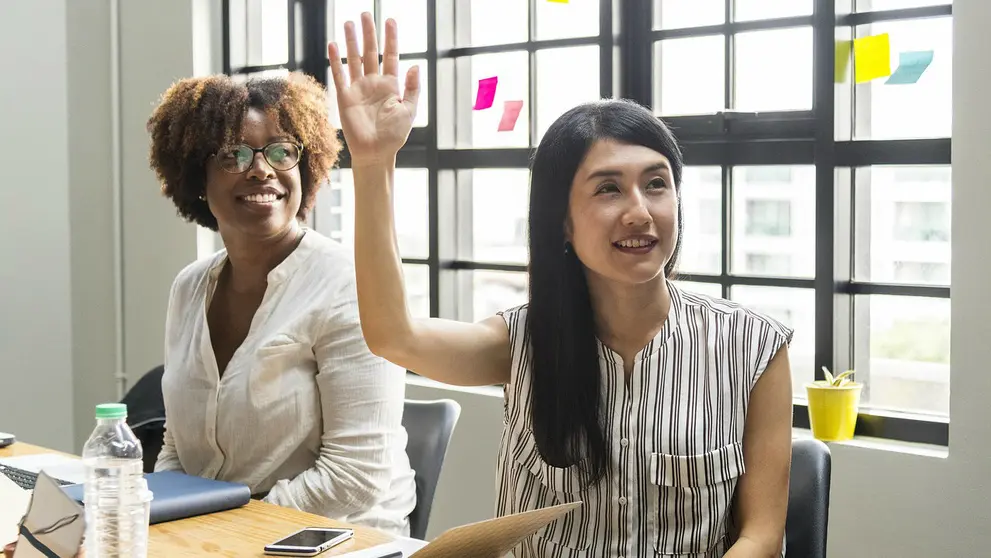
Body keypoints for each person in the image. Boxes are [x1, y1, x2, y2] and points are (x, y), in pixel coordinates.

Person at [330, 13, 794, 558]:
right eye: (608, 190)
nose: (640, 212)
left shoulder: (753, 346)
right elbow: (393, 336)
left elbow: (761, 536)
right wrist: (372, 162)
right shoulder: (523, 342)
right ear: (563, 224)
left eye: (656, 184)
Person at [145, 72, 416, 535]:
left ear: (304, 167)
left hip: (337, 538)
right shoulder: (189, 287)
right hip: (220, 537)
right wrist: (166, 520)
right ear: (196, 176)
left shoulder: (349, 284)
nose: (262, 170)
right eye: (233, 155)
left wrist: (230, 531)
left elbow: (355, 477)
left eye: (281, 151)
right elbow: (178, 445)